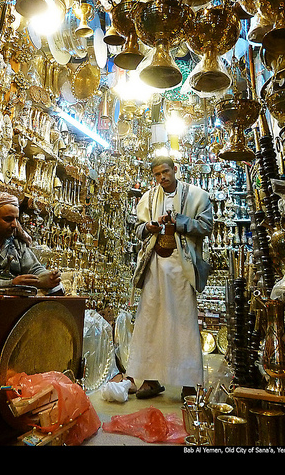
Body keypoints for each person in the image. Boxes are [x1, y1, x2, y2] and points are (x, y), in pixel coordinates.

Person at [125, 155, 213, 400]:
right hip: (155, 265)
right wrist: (150, 226)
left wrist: (181, 222)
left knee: (183, 320)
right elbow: (138, 229)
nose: (162, 177)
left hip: (182, 267)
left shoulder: (197, 196)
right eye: (157, 174)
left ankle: (188, 382)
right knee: (150, 319)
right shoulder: (149, 198)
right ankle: (150, 379)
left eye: (165, 172)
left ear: (175, 170)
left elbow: (206, 226)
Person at [0, 191, 63, 295]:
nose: (15, 225)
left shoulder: (16, 243)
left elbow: (34, 268)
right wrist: (10, 284)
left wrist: (48, 277)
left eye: (16, 219)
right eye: (8, 219)